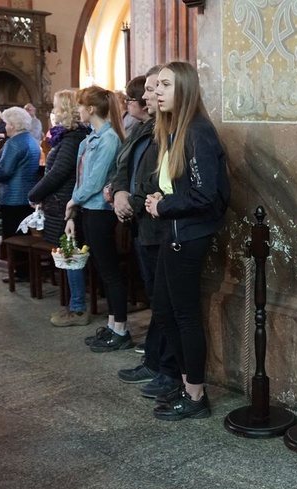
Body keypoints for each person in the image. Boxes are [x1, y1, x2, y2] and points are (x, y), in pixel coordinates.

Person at [144, 61, 230, 420]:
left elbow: (206, 196)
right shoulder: (173, 130)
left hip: (188, 237)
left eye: (165, 85)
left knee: (185, 316)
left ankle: (196, 396)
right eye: (157, 85)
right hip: (173, 233)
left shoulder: (198, 131)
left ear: (185, 89)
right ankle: (185, 383)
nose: (158, 91)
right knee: (164, 313)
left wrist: (165, 206)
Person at [113, 67, 182, 398]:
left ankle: (166, 367)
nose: (148, 95)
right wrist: (118, 191)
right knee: (156, 299)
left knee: (165, 302)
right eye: (152, 88)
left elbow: (159, 180)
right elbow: (124, 167)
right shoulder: (143, 129)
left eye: (159, 87)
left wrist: (133, 200)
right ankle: (155, 361)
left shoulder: (170, 131)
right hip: (143, 223)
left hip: (158, 224)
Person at [66, 85, 130, 351]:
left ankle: (121, 330)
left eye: (80, 106)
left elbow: (94, 181)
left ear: (90, 109)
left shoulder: (109, 139)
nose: (78, 111)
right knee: (103, 271)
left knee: (111, 272)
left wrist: (74, 201)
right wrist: (72, 209)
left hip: (101, 212)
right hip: (87, 209)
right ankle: (112, 325)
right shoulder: (88, 139)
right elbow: (80, 178)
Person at [28, 89, 91, 326]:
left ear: (66, 110)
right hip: (60, 203)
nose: (53, 112)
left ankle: (77, 308)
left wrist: (34, 194)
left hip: (65, 204)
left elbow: (58, 173)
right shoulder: (68, 136)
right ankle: (73, 304)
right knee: (68, 254)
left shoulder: (72, 137)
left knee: (71, 254)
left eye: (56, 107)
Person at [0, 106, 41, 282]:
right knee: (24, 236)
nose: (5, 126)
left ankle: (20, 273)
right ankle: (25, 271)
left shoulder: (14, 143)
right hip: (28, 196)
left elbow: (5, 172)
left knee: (12, 237)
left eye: (6, 123)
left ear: (12, 124)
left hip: (13, 196)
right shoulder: (31, 140)